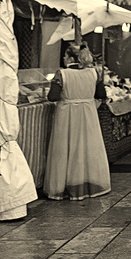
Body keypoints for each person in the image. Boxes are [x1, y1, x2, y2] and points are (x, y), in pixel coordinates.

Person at [43, 43, 110, 200]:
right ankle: (89, 182)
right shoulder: (95, 73)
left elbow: (52, 96)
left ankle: (62, 185)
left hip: (67, 114)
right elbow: (101, 94)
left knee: (66, 148)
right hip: (88, 113)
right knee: (88, 148)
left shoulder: (62, 74)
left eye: (65, 56)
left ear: (70, 58)